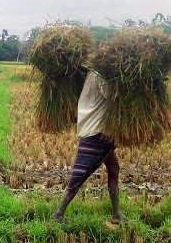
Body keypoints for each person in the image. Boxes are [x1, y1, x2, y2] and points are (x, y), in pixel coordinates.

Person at [52, 69, 123, 224]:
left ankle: (117, 213)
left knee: (114, 168)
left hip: (98, 131)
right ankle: (59, 213)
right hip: (96, 133)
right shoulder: (100, 76)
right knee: (81, 174)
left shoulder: (91, 74)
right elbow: (113, 96)